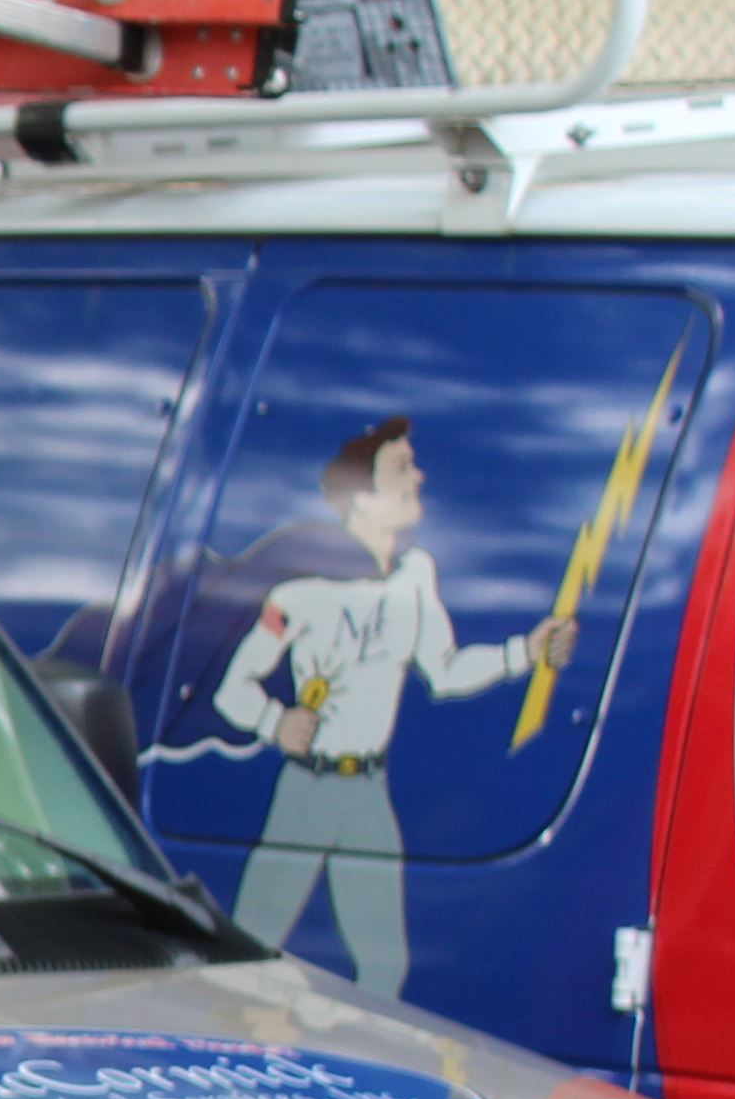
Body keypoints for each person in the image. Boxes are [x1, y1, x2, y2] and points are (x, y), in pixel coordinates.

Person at [195, 416, 576, 994]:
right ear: (361, 498)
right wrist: (275, 722)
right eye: (401, 467)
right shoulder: (299, 591)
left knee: (384, 969)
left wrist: (526, 652)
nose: (418, 475)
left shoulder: (414, 580)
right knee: (246, 958)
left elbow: (444, 673)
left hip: (367, 795)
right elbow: (231, 688)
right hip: (307, 792)